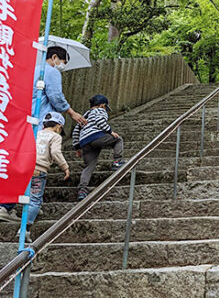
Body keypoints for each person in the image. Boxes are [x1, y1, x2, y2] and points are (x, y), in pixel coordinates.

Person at [0, 46, 86, 222]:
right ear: (54, 57)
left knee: (22, 163)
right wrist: (71, 112)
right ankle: (7, 205)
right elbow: (56, 96)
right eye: (62, 62)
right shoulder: (50, 71)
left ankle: (25, 204)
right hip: (39, 123)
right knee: (32, 165)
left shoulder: (29, 70)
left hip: (22, 121)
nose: (61, 66)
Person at [17, 112, 70, 242]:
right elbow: (55, 152)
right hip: (38, 171)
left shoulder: (35, 132)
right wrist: (65, 167)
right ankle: (25, 229)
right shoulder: (55, 137)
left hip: (24, 168)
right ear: (59, 126)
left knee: (25, 196)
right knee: (35, 199)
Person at [73, 94, 125, 201]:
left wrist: (77, 147)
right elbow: (100, 121)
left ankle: (82, 190)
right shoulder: (100, 111)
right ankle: (117, 161)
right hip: (96, 137)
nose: (106, 109)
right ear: (102, 105)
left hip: (85, 142)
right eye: (106, 107)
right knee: (118, 139)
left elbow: (75, 131)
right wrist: (110, 132)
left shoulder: (84, 116)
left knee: (89, 166)